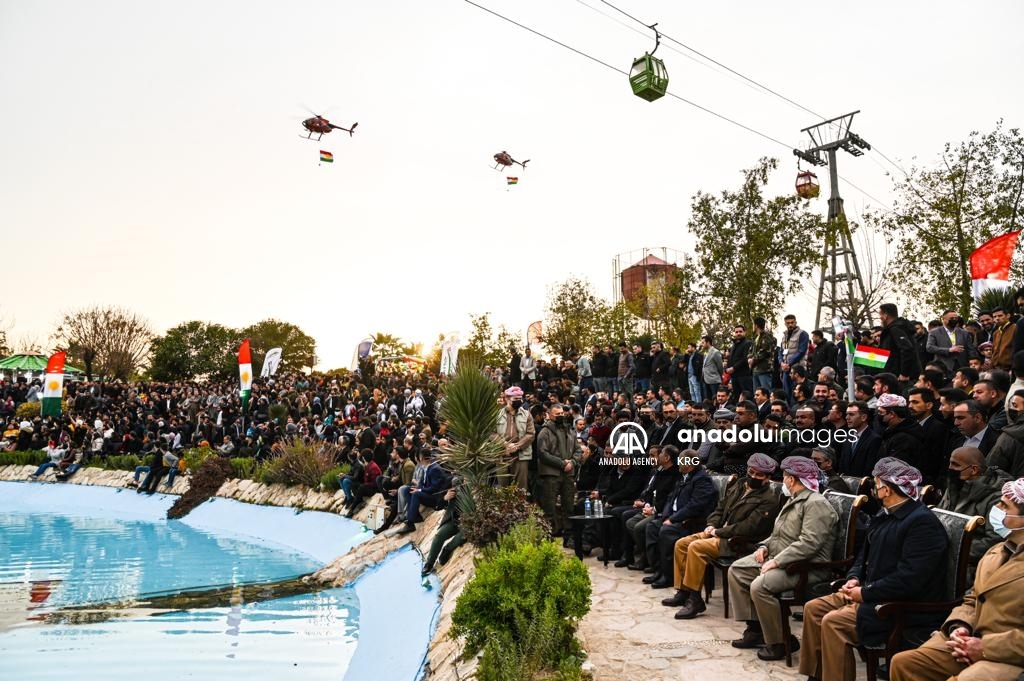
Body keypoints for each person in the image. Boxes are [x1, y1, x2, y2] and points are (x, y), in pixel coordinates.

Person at [799, 458, 949, 681]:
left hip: (898, 605)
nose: (874, 489)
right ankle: (817, 675)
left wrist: (865, 593)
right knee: (814, 608)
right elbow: (864, 555)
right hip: (872, 592)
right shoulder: (886, 513)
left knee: (833, 622)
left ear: (887, 490)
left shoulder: (921, 524)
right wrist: (853, 578)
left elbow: (910, 579)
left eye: (877, 485)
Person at [890, 478, 1024, 681]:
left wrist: (985, 647)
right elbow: (973, 599)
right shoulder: (997, 551)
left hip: (1007, 656)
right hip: (971, 639)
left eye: (1004, 505)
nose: (996, 508)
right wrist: (960, 626)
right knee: (906, 663)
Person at [728, 456, 838, 661]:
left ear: (792, 480)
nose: (783, 481)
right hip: (784, 559)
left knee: (760, 586)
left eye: (785, 477)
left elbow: (809, 543)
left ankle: (780, 641)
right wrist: (764, 547)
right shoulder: (794, 499)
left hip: (807, 567)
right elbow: (778, 534)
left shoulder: (816, 504)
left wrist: (777, 561)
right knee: (737, 570)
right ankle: (757, 629)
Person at [662, 453, 780, 619]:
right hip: (718, 532)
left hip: (735, 541)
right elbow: (720, 508)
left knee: (696, 547)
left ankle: (695, 599)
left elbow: (747, 528)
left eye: (759, 475)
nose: (753, 477)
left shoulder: (768, 499)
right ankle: (683, 592)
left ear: (767, 478)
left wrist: (718, 532)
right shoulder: (740, 484)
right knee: (681, 544)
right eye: (751, 472)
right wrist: (712, 524)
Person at [534, 403, 581, 541]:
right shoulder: (544, 432)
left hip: (568, 474)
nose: (561, 416)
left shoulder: (570, 430)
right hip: (551, 474)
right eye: (557, 414)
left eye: (562, 413)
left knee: (569, 507)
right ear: (550, 415)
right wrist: (562, 463)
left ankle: (569, 537)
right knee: (549, 508)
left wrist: (572, 462)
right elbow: (542, 453)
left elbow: (578, 450)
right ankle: (547, 537)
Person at [495, 386, 535, 491]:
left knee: (520, 488)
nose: (519, 401)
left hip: (521, 455)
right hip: (502, 454)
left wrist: (517, 446)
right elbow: (491, 433)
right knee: (503, 488)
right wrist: (505, 444)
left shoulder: (526, 414)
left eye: (520, 399)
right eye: (515, 399)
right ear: (507, 399)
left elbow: (531, 434)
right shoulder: (497, 414)